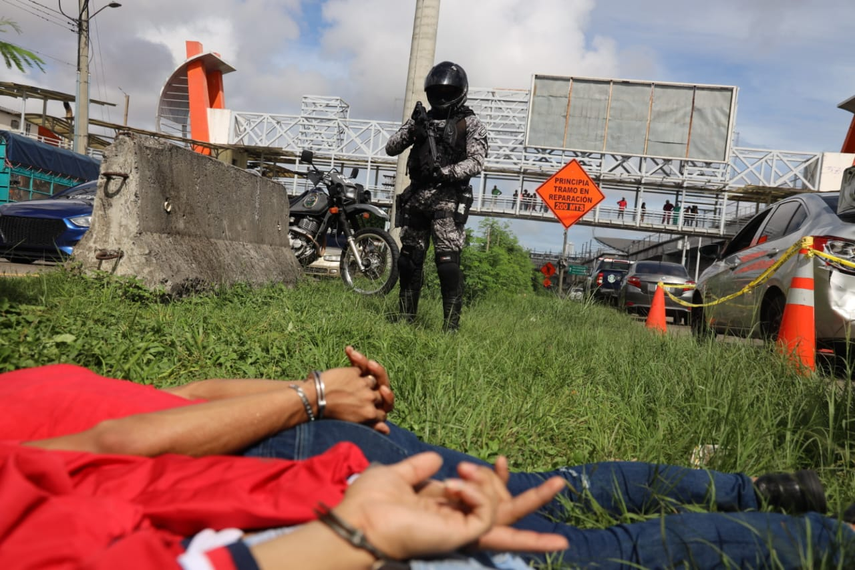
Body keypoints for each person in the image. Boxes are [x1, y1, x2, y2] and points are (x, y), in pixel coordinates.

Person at [2, 359, 851, 568]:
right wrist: (318, 393)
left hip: (284, 485)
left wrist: (310, 395)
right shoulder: (23, 385)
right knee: (551, 490)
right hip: (294, 448)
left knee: (586, 550)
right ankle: (772, 495)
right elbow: (172, 395)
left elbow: (120, 440)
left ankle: (823, 536)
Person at [386, 61, 489, 332]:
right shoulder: (421, 119)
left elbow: (476, 162)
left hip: (448, 200)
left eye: (448, 91)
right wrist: (413, 130)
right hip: (417, 198)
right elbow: (390, 147)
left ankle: (450, 328)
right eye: (437, 92)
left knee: (447, 265)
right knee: (409, 261)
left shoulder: (471, 123)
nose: (442, 97)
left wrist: (446, 172)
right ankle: (406, 320)